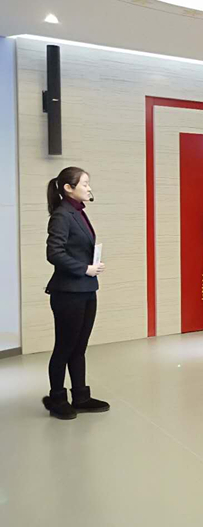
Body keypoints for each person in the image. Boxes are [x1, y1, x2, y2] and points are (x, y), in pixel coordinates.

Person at [42, 167, 110, 420]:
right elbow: (54, 253)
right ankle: (57, 399)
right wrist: (84, 268)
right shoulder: (62, 215)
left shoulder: (78, 212)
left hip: (86, 289)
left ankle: (80, 397)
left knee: (79, 347)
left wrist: (91, 266)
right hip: (68, 292)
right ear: (68, 188)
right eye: (84, 184)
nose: (89, 188)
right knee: (64, 347)